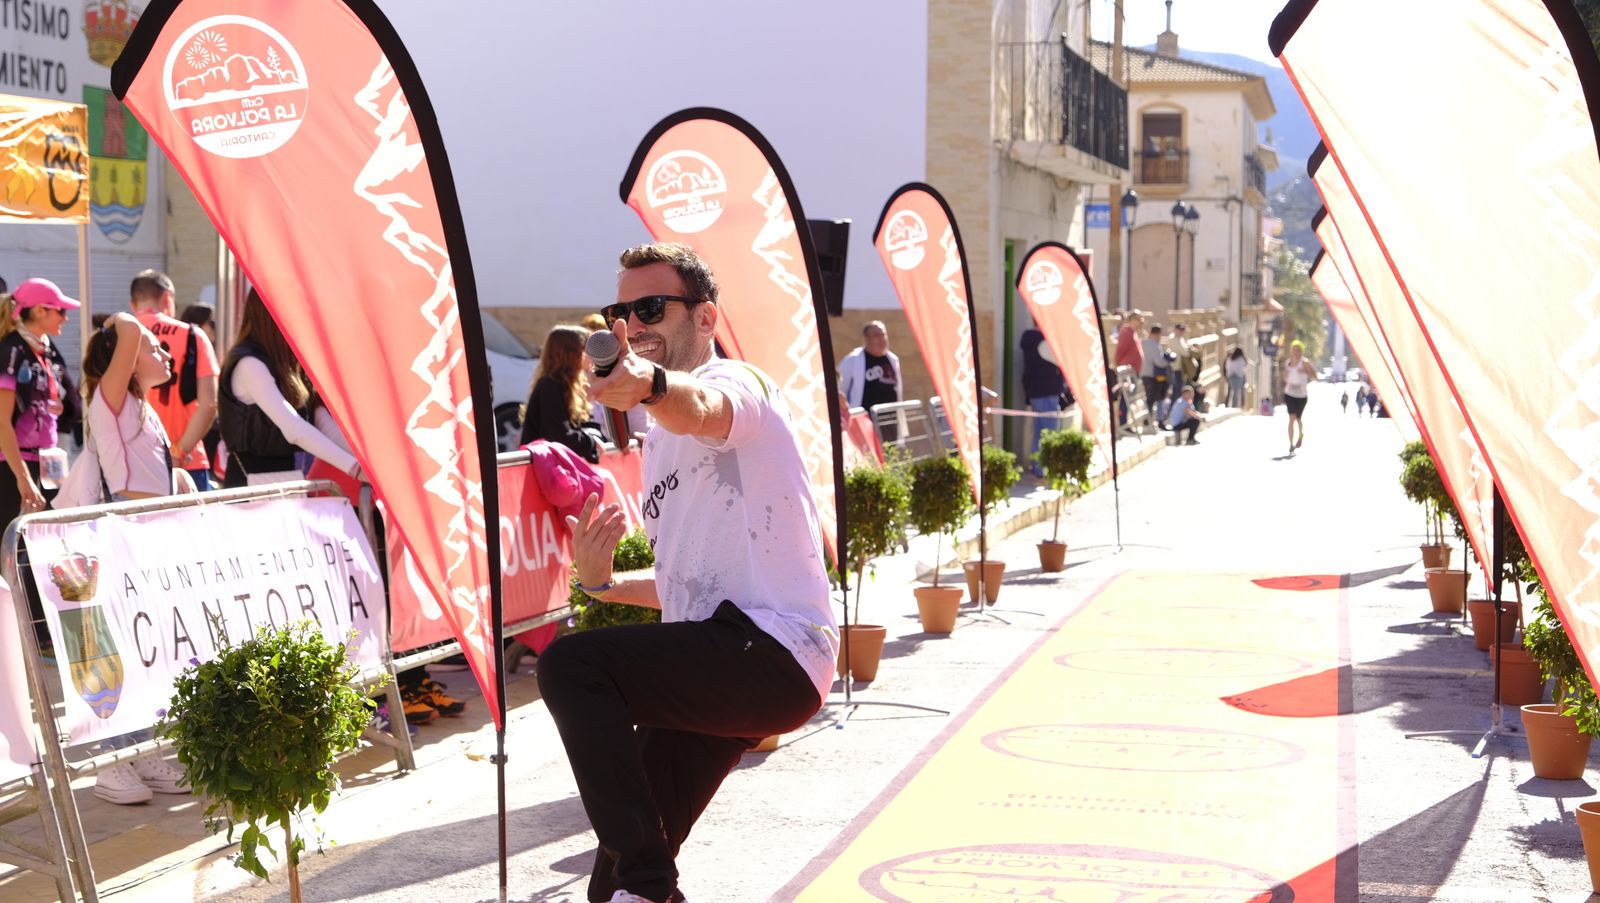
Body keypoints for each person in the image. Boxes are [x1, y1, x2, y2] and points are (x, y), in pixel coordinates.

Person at [541, 242, 836, 903]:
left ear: (705, 318)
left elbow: (702, 406)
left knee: (571, 666)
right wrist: (604, 583)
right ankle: (646, 888)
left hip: (772, 649)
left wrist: (648, 385)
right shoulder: (656, 441)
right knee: (612, 886)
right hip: (719, 659)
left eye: (651, 306)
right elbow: (688, 583)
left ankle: (653, 885)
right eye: (622, 309)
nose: (634, 322)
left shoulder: (739, 385)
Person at [79, 312, 198, 804]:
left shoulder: (139, 407)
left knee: (144, 646)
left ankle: (142, 747)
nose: (166, 354)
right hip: (116, 533)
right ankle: (110, 761)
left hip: (147, 534)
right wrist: (128, 327)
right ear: (126, 363)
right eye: (154, 347)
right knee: (112, 650)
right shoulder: (108, 401)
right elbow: (126, 326)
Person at [216, 289, 363, 487]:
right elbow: (293, 428)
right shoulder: (249, 364)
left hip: (284, 481)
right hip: (250, 485)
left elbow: (322, 423)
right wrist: (356, 468)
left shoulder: (287, 364)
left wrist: (367, 464)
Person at [129, 270, 219, 491]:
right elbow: (209, 404)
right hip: (188, 462)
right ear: (168, 298)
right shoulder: (193, 335)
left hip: (132, 463)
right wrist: (178, 452)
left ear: (133, 303)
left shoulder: (118, 337)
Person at [0, 279, 78, 532]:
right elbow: (2, 422)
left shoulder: (42, 349)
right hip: (14, 466)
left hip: (47, 461)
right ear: (39, 311)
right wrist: (23, 479)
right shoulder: (13, 349)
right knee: (11, 550)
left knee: (44, 544)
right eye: (61, 311)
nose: (66, 318)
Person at [519, 325, 604, 463]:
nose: (593, 354)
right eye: (587, 349)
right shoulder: (550, 386)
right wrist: (591, 441)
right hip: (544, 472)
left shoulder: (562, 385)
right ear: (572, 353)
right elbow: (559, 437)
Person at [178, 304, 222, 477]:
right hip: (198, 433)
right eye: (211, 322)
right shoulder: (196, 350)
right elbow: (209, 404)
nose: (215, 327)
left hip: (195, 433)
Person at [1019, 324, 1064, 477]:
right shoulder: (1044, 343)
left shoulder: (1030, 341)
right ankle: (1046, 469)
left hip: (1035, 393)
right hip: (1048, 392)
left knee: (1039, 433)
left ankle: (1038, 467)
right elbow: (1061, 360)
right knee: (1050, 434)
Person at [1281, 340, 1317, 454]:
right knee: (1291, 418)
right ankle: (1291, 443)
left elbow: (1315, 376)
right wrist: (1286, 376)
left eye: (1298, 350)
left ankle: (1300, 435)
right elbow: (1284, 377)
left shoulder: (1305, 363)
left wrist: (1305, 372)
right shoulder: (1288, 363)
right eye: (1294, 349)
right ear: (1291, 351)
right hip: (1289, 394)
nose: (1296, 352)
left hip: (1301, 396)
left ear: (1301, 351)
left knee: (1298, 418)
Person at [1113, 311, 1143, 425]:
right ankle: (1122, 422)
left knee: (1130, 398)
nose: (1139, 323)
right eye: (1136, 320)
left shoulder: (1133, 332)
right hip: (1126, 372)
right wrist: (1117, 365)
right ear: (1130, 320)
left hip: (1132, 371)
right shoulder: (1126, 332)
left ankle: (1125, 421)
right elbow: (1120, 350)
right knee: (1126, 397)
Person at [1139, 323, 1166, 416]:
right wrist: (1167, 361)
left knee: (1148, 397)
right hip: (1151, 375)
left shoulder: (1143, 343)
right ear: (1158, 334)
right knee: (1151, 399)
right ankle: (1148, 420)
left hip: (1142, 373)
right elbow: (1159, 362)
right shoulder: (1155, 346)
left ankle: (1147, 420)